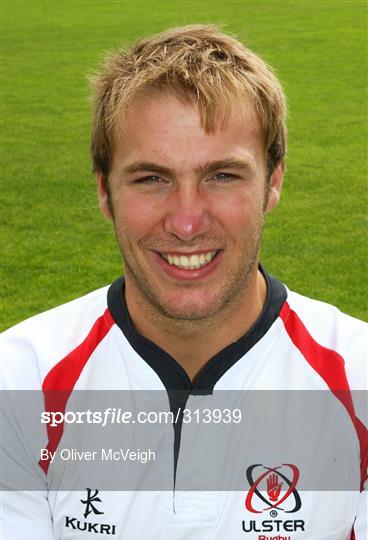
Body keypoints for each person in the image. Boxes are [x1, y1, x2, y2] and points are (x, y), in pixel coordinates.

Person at [1, 24, 366, 540]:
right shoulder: (18, 382)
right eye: (152, 178)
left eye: (222, 175)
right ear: (106, 192)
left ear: (273, 182)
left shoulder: (358, 376)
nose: (186, 221)